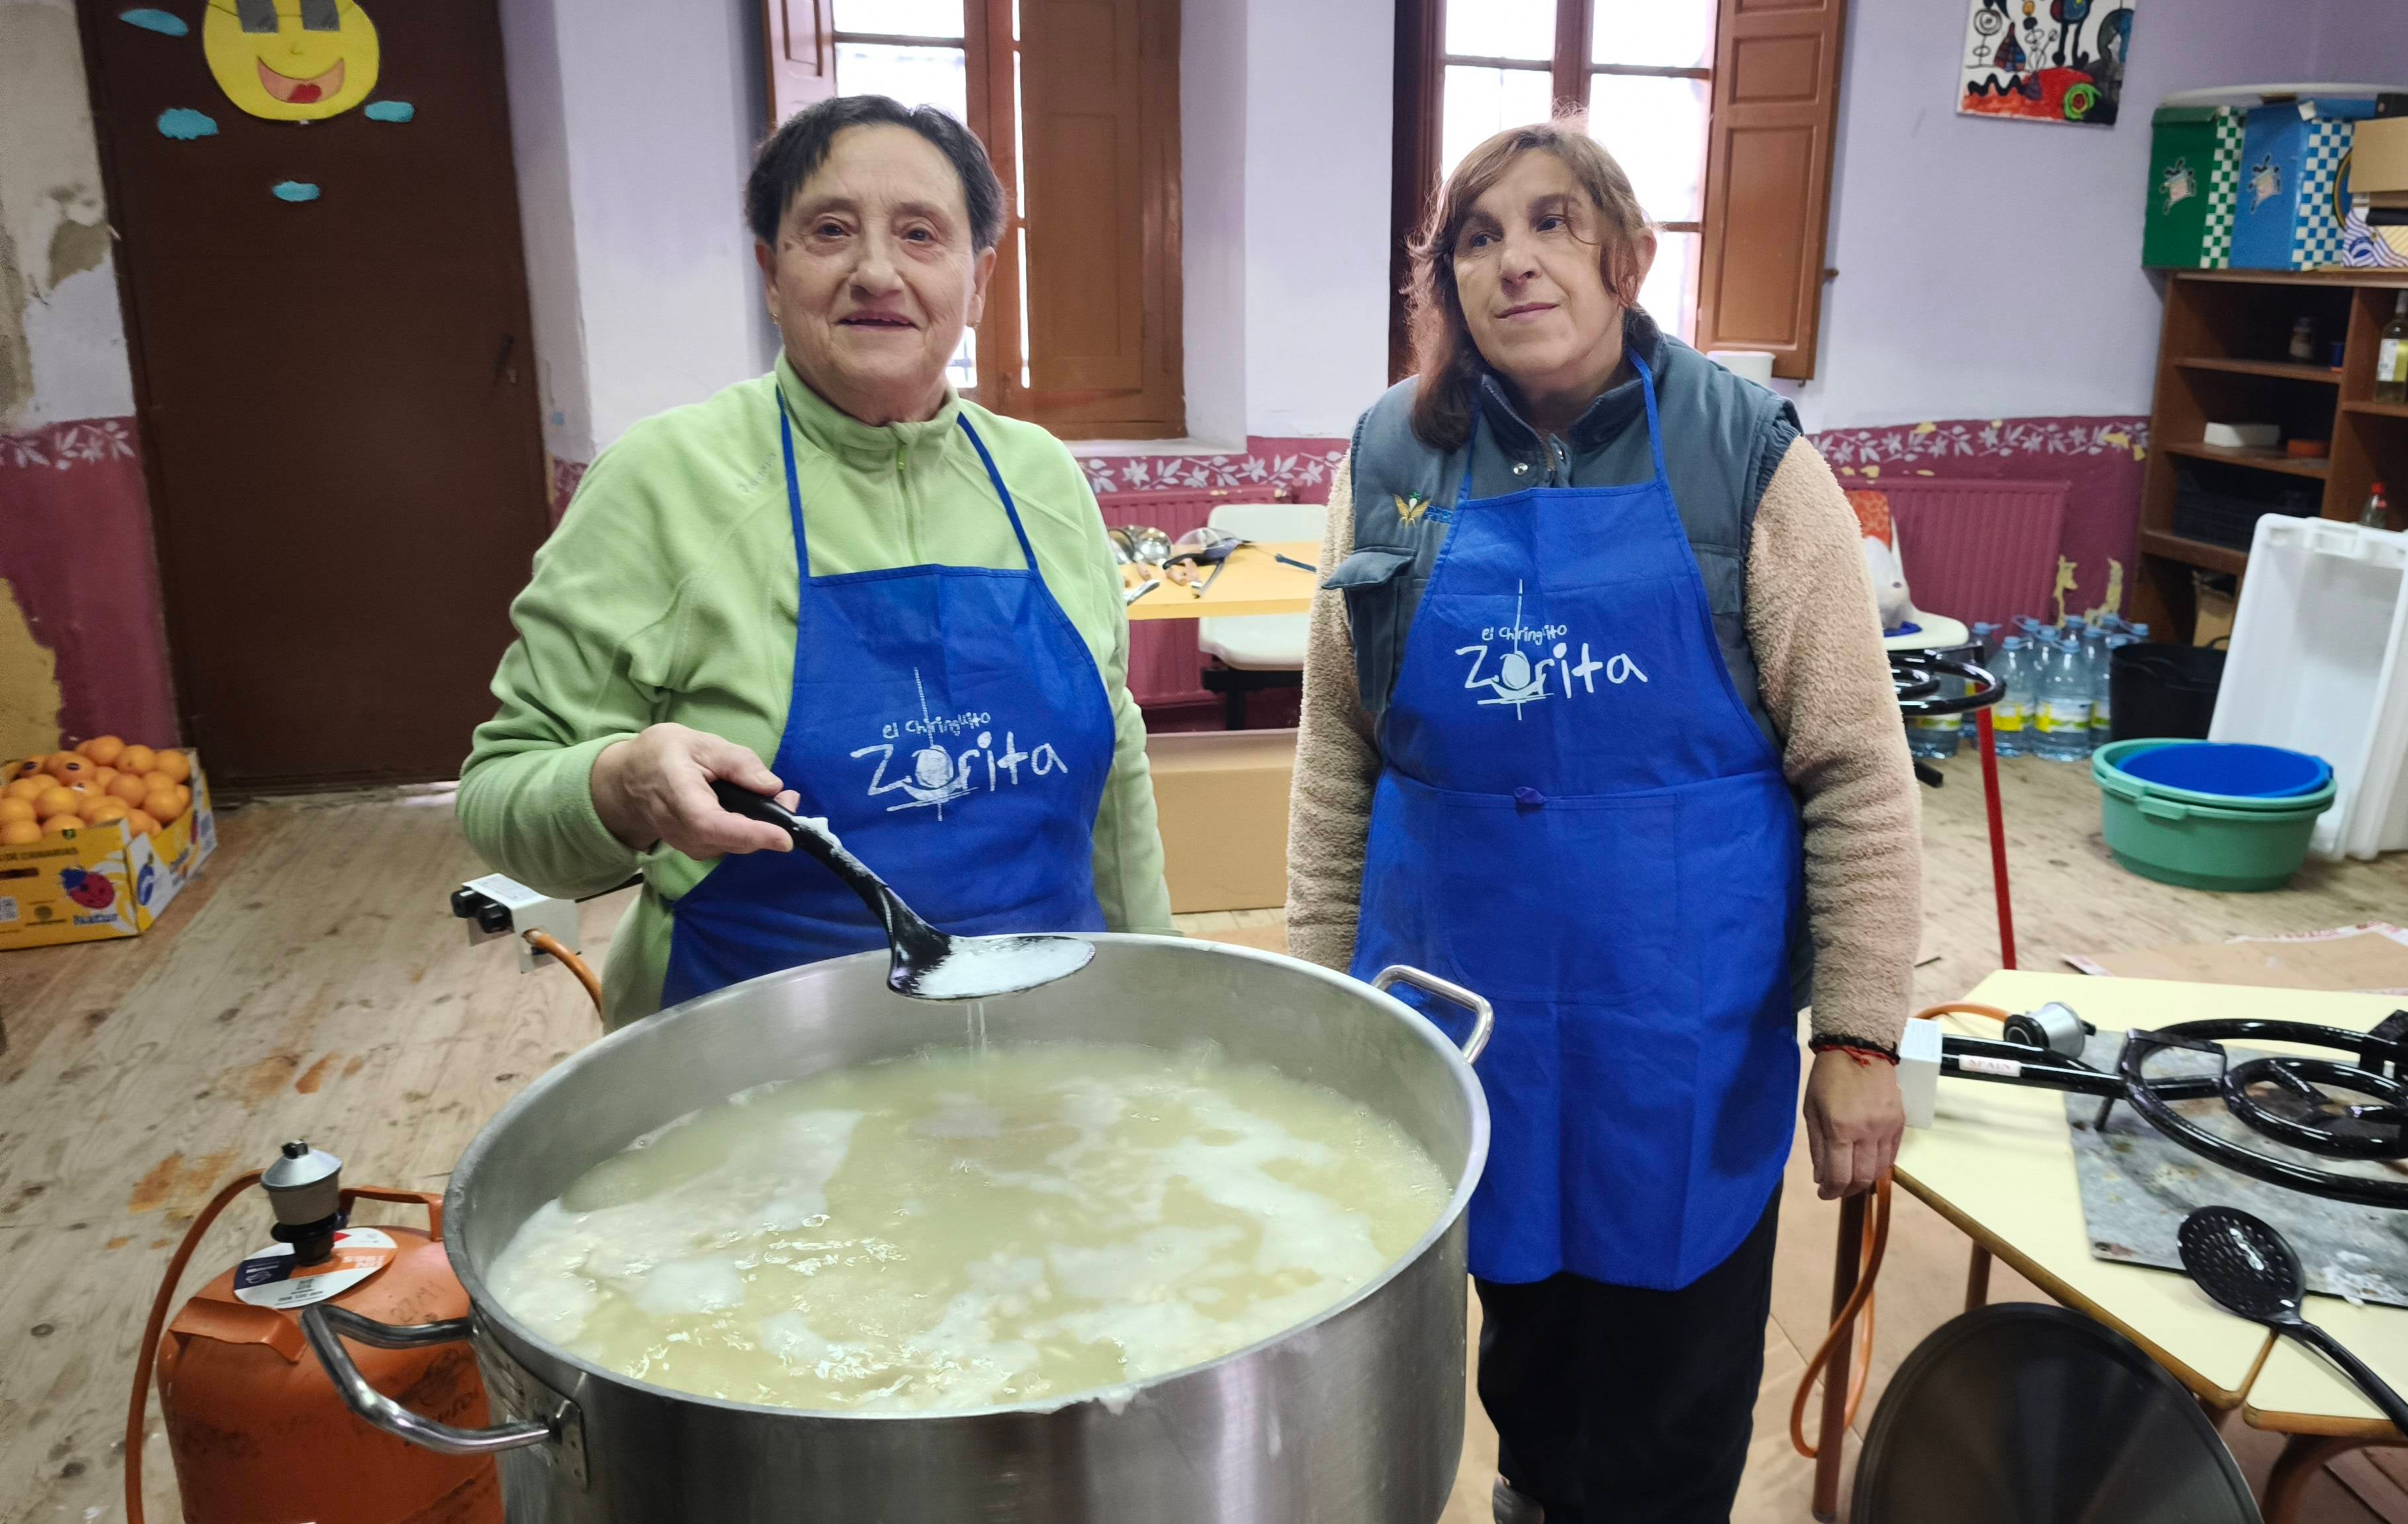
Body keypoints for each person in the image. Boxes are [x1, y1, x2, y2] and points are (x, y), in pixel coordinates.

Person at [1287, 120, 1921, 1523]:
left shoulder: (1743, 460)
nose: (1513, 260)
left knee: (1673, 1380)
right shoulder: (1389, 457)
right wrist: (1321, 1000)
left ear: (1628, 258)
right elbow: (1339, 750)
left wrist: (1861, 1034)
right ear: (1445, 280)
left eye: (1554, 223)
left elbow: (1857, 771)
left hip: (1676, 1026)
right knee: (1526, 1343)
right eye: (1476, 235)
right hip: (1462, 1002)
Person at [460, 97, 1171, 1029]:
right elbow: (499, 794)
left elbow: (1114, 768)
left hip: (1051, 1037)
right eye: (831, 230)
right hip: (758, 1064)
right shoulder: (665, 482)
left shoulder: (1041, 479)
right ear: (771, 268)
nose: (877, 271)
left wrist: (1164, 992)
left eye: (921, 235)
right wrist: (620, 784)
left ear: (979, 277)